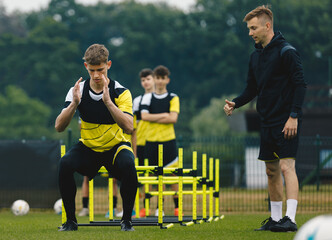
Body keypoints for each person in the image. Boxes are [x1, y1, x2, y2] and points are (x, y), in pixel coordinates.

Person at [223, 5, 306, 232]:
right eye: (249, 29)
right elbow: (252, 89)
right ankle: (276, 219)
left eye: (253, 28)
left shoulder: (287, 51)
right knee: (271, 171)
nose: (250, 33)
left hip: (287, 120)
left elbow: (300, 85)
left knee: (287, 167)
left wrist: (294, 116)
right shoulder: (255, 56)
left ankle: (290, 219)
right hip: (267, 120)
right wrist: (236, 103)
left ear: (267, 26)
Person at [55, 43, 138, 231]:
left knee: (128, 164)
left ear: (108, 65)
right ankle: (70, 222)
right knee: (65, 163)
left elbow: (129, 126)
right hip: (89, 148)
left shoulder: (121, 92)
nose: (96, 75)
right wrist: (74, 104)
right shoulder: (76, 90)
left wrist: (108, 102)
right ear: (86, 67)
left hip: (115, 147)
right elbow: (59, 126)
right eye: (92, 70)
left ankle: (126, 221)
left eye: (100, 69)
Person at [140, 65, 180, 216]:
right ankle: (156, 208)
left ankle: (177, 207)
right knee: (152, 177)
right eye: (158, 78)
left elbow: (173, 118)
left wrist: (155, 117)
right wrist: (164, 115)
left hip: (168, 140)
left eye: (163, 78)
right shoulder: (147, 98)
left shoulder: (173, 97)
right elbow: (144, 117)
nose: (160, 81)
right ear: (154, 79)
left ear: (167, 80)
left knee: (172, 176)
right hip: (151, 141)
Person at [132, 68, 155, 217]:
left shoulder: (161, 99)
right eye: (143, 80)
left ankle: (160, 207)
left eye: (148, 79)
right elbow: (133, 129)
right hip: (141, 143)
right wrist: (133, 150)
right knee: (142, 178)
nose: (146, 82)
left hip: (157, 141)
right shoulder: (137, 101)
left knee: (159, 176)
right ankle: (144, 208)